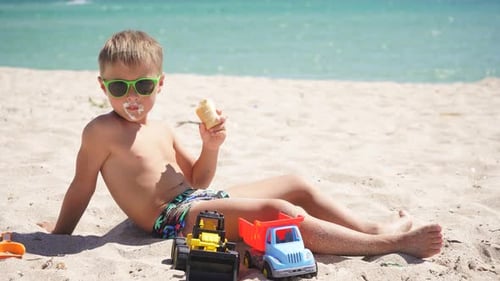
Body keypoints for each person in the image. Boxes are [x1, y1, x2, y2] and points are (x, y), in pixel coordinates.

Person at [39, 30, 443, 258]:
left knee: (294, 184)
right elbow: (82, 187)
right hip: (168, 220)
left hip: (194, 201)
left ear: (160, 84)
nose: (133, 96)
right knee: (277, 210)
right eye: (119, 87)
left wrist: (210, 147)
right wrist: (60, 232)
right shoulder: (100, 131)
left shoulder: (161, 128)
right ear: (102, 86)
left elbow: (198, 180)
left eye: (143, 85)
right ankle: (388, 243)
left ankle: (369, 228)